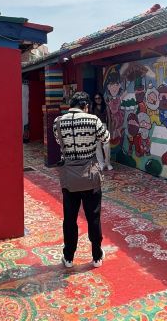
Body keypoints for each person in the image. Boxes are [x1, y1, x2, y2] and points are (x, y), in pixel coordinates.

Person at [54, 91, 110, 268]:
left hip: (69, 177)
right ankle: (97, 256)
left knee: (69, 218)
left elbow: (59, 142)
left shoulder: (58, 122)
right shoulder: (93, 120)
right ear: (85, 106)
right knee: (93, 216)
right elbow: (106, 138)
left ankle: (69, 257)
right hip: (90, 175)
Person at [91, 92, 113, 171]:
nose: (98, 100)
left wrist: (109, 130)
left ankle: (108, 163)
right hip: (95, 127)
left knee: (107, 146)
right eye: (96, 98)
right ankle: (101, 163)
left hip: (104, 126)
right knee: (98, 146)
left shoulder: (106, 107)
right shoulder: (92, 107)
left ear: (101, 98)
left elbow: (109, 119)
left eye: (99, 98)